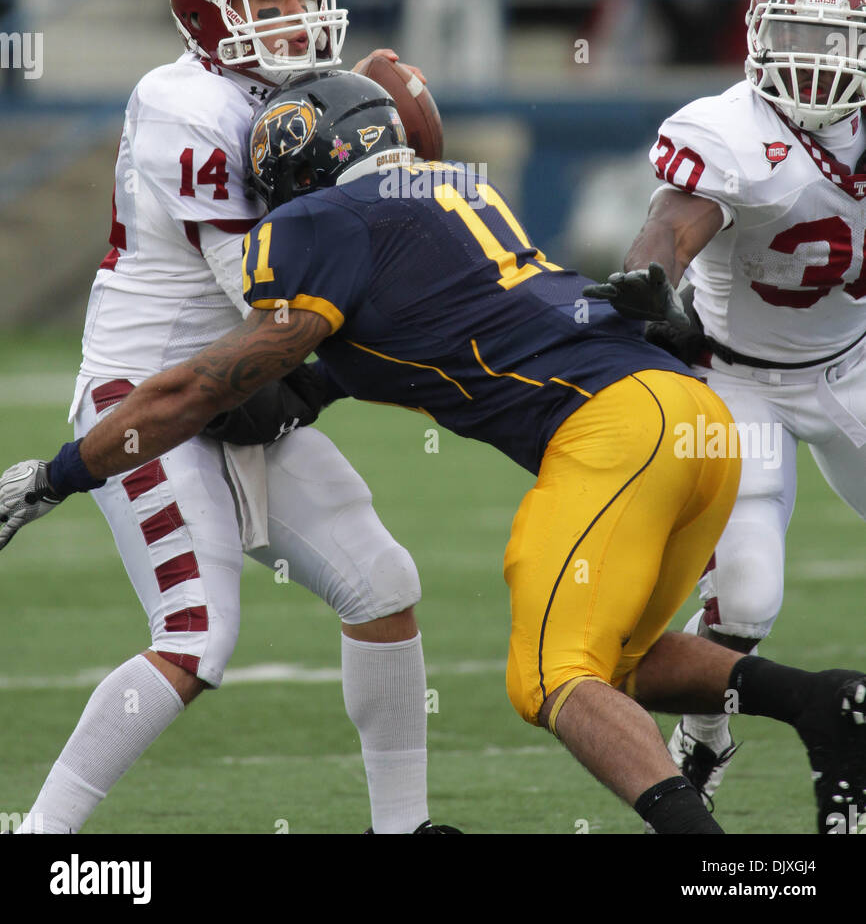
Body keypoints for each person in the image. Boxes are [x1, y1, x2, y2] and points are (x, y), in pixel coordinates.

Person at [5, 69, 866, 836]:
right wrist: (309, 387)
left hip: (620, 429)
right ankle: (821, 702)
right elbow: (413, 335)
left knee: (549, 681)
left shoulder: (323, 222)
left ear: (300, 170)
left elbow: (205, 388)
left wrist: (61, 472)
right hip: (697, 420)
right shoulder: (456, 193)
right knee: (620, 664)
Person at [1, 0, 451, 836]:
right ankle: (41, 836)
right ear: (209, 19)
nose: (293, 13)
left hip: (246, 382)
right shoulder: (185, 108)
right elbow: (264, 287)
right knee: (197, 636)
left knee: (384, 584)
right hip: (153, 393)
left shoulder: (291, 88)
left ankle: (400, 831)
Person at [586, 0, 866, 824]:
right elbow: (666, 234)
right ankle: (703, 740)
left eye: (834, 44)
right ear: (754, 36)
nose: (813, 66)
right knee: (746, 596)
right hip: (739, 381)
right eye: (794, 38)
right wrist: (652, 291)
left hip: (855, 362)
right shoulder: (733, 130)